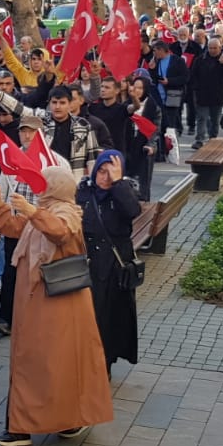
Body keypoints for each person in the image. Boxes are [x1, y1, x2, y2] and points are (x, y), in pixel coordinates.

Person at [0, 166, 113, 446]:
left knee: (48, 364)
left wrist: (32, 211)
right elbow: (13, 229)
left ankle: (23, 427)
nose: (40, 188)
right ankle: (62, 421)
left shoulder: (65, 210)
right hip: (42, 303)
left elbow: (60, 232)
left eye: (45, 183)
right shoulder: (45, 209)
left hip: (55, 304)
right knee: (52, 364)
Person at [76, 151, 141, 377]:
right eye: (102, 171)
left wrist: (118, 183)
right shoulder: (84, 191)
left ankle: (105, 363)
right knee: (85, 316)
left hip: (113, 267)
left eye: (111, 173)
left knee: (109, 316)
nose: (105, 177)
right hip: (86, 264)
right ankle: (84, 362)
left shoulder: (124, 192)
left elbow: (133, 211)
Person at [187, 38, 223, 149]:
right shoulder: (200, 59)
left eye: (215, 48)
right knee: (201, 118)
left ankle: (213, 137)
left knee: (214, 119)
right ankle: (199, 139)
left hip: (217, 94)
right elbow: (193, 75)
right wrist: (195, 89)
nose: (212, 50)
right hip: (202, 94)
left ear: (220, 48)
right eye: (210, 48)